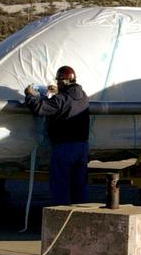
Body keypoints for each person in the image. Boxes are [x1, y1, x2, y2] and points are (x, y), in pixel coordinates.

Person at [24, 66, 91, 207]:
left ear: (62, 81)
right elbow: (68, 99)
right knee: (79, 186)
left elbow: (40, 108)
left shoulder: (61, 99)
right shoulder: (83, 95)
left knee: (61, 186)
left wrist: (30, 95)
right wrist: (58, 92)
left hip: (65, 148)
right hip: (82, 147)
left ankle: (61, 218)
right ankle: (82, 218)